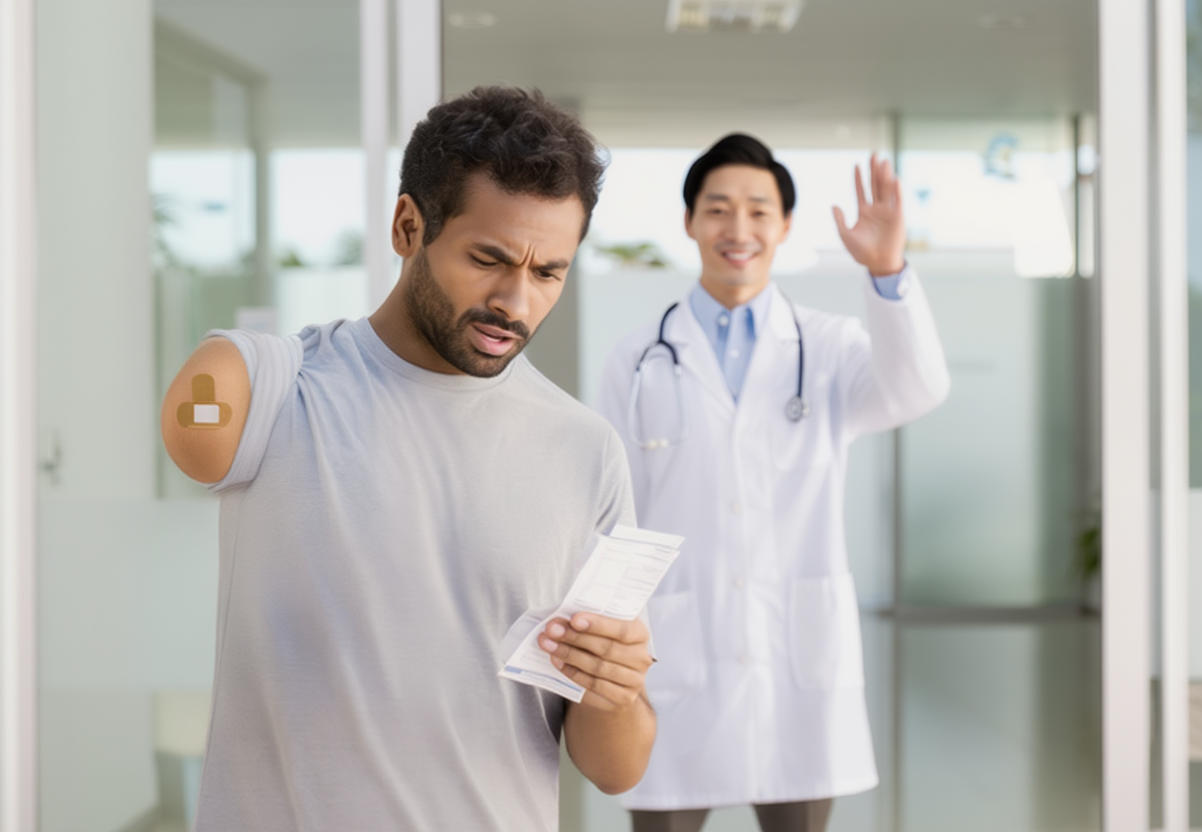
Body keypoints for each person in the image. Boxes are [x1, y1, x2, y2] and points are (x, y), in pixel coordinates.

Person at [161, 86, 657, 832]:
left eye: (548, 272)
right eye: (488, 258)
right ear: (407, 225)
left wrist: (612, 691)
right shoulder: (286, 388)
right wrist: (221, 358)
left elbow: (618, 769)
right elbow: (195, 429)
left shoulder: (586, 451)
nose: (516, 303)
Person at [596, 134, 951, 832]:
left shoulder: (831, 347)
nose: (739, 229)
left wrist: (887, 270)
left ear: (785, 226)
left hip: (795, 661)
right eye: (718, 208)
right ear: (690, 222)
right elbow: (615, 512)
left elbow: (918, 389)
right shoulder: (637, 359)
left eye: (759, 211)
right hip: (673, 651)